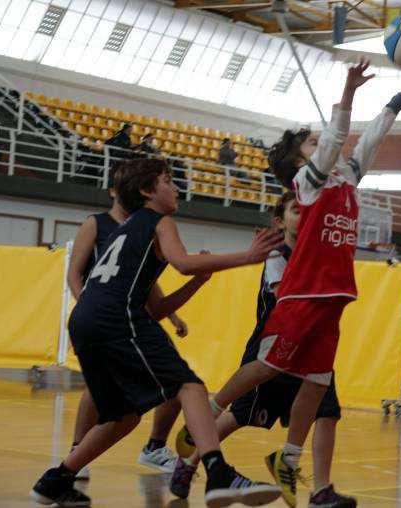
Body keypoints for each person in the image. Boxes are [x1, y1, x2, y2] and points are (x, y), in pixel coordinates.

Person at [177, 59, 401, 508]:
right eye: (313, 143)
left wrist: (396, 102)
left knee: (316, 380)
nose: (325, 144)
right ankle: (206, 415)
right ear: (301, 160)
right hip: (303, 294)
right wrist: (347, 95)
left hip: (334, 298)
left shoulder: (345, 178)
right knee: (268, 365)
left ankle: (290, 459)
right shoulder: (306, 184)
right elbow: (335, 139)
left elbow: (369, 142)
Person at [30, 158, 284, 507]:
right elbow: (182, 263)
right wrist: (248, 255)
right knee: (190, 386)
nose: (176, 187)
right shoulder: (160, 221)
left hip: (86, 319)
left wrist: (199, 282)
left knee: (123, 417)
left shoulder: (127, 229)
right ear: (148, 191)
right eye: (168, 180)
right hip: (114, 316)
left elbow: (157, 309)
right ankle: (218, 472)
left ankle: (54, 480)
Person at [174, 191, 356, 507]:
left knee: (328, 412)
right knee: (243, 415)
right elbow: (287, 294)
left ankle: (320, 489)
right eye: (295, 211)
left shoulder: (316, 252)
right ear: (278, 221)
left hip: (313, 340)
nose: (303, 216)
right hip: (275, 342)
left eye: (307, 212)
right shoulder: (277, 255)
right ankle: (192, 456)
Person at [65, 165, 192, 479]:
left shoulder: (144, 224)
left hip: (133, 317)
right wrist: (91, 309)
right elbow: (74, 272)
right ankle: (78, 449)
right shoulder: (96, 223)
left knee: (177, 381)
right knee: (98, 388)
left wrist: (173, 315)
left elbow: (146, 280)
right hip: (105, 318)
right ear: (114, 190)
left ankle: (155, 446)